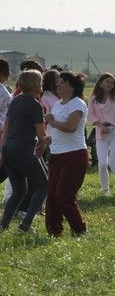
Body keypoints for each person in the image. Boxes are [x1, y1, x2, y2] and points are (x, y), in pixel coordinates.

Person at [0, 70, 49, 232]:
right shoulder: (35, 105)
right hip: (24, 150)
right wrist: (48, 140)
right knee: (43, 186)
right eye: (40, 82)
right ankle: (26, 224)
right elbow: (41, 135)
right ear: (35, 85)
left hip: (8, 149)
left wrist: (2, 149)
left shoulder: (15, 100)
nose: (41, 85)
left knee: (19, 189)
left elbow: (6, 127)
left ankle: (3, 225)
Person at [43, 71, 89, 237]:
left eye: (62, 82)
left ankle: (80, 230)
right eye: (58, 82)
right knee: (53, 197)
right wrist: (48, 139)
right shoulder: (57, 104)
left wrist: (52, 122)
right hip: (56, 155)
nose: (58, 84)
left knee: (63, 196)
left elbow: (71, 128)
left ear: (72, 86)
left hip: (74, 156)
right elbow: (58, 131)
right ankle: (54, 232)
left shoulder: (78, 104)